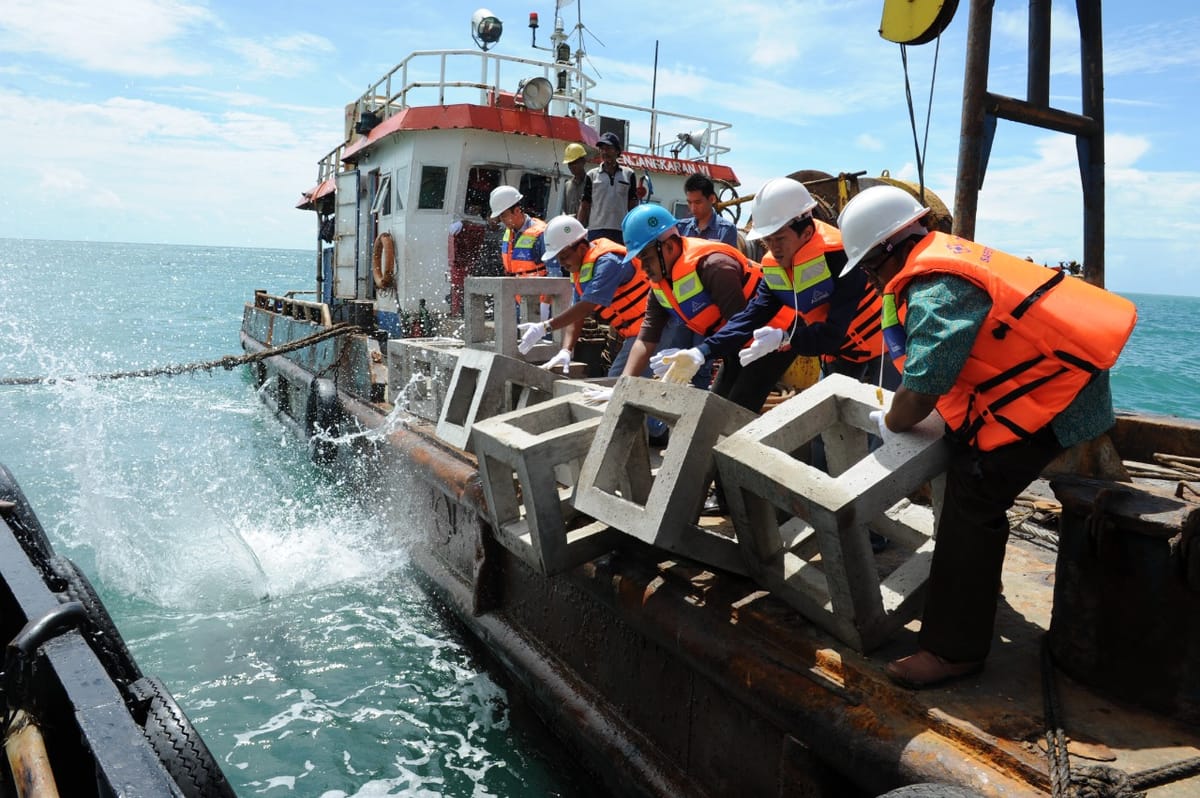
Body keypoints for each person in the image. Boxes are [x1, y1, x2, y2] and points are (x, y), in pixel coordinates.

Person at [836, 185, 1137, 689]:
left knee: (975, 495)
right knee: (967, 462)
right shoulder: (947, 257)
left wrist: (891, 420)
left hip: (1060, 398)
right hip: (1062, 382)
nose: (872, 279)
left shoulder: (936, 287)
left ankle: (953, 651)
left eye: (870, 268)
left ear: (890, 250)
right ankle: (975, 585)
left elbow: (925, 387)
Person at [660, 177, 897, 415]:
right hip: (842, 352)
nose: (774, 247)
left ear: (806, 233)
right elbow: (750, 316)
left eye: (780, 238)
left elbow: (833, 333)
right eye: (768, 240)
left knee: (890, 424)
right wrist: (702, 352)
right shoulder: (775, 267)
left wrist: (786, 338)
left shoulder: (841, 258)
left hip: (887, 348)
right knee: (825, 425)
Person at [616, 205, 761, 387]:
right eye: (639, 260)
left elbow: (740, 326)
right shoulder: (660, 283)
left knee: (735, 407)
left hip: (768, 342)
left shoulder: (715, 267)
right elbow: (646, 338)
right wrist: (622, 385)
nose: (643, 268)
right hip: (736, 347)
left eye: (647, 258)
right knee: (716, 408)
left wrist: (698, 353)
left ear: (668, 246)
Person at [516, 216, 650, 377]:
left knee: (618, 383)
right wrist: (566, 349)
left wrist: (545, 327)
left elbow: (587, 306)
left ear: (580, 248)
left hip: (655, 329)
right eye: (558, 259)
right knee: (619, 383)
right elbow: (576, 314)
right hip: (635, 333)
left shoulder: (608, 262)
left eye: (564, 256)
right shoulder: (580, 271)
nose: (562, 264)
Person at [577, 132, 638, 243]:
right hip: (596, 231)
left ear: (617, 151)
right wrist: (577, 232)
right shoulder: (591, 175)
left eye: (609, 148)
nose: (605, 152)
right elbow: (585, 205)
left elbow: (633, 207)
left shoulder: (629, 174)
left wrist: (634, 231)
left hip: (621, 232)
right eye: (602, 149)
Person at [675, 173, 739, 247]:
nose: (693, 208)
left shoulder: (727, 230)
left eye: (698, 202)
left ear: (712, 199)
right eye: (689, 202)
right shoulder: (680, 227)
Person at [561, 143, 588, 217]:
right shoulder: (567, 185)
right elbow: (564, 210)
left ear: (583, 161)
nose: (571, 166)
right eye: (569, 163)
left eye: (574, 162)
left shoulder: (591, 184)